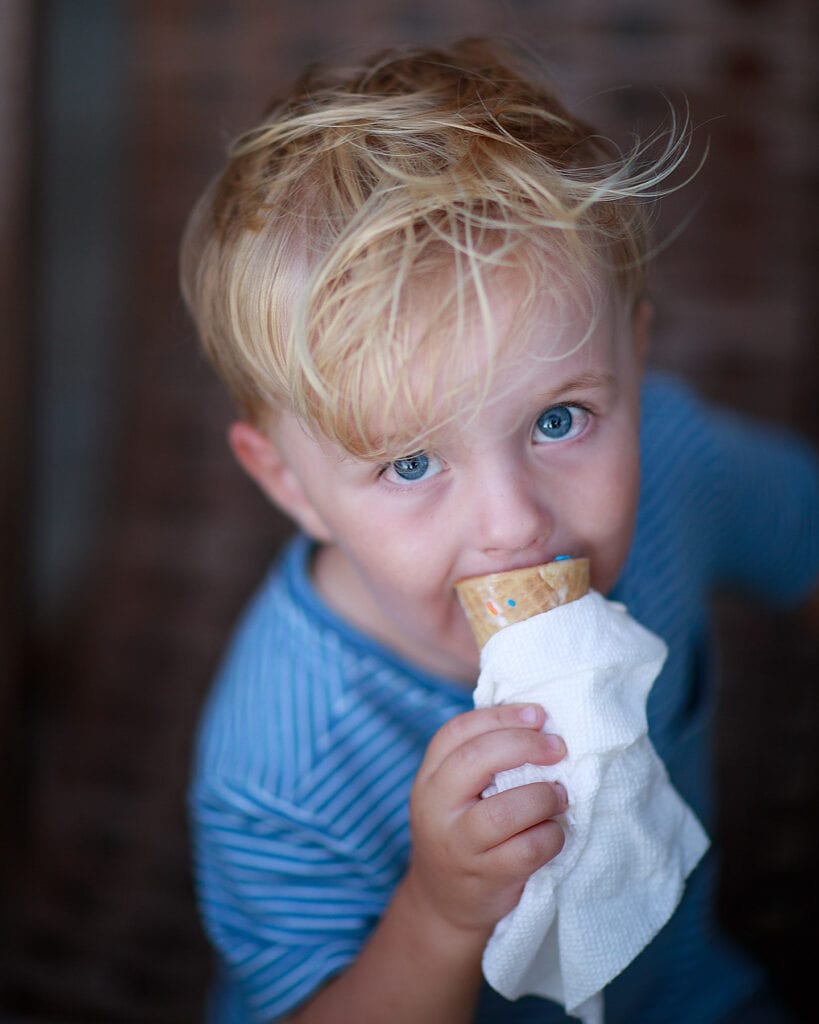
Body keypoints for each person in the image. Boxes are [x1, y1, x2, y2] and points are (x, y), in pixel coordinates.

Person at [180, 39, 819, 1024]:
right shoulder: (285, 752)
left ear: (633, 360)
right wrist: (438, 915)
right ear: (290, 485)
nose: (515, 523)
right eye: (409, 464)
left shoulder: (676, 469)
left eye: (559, 420)